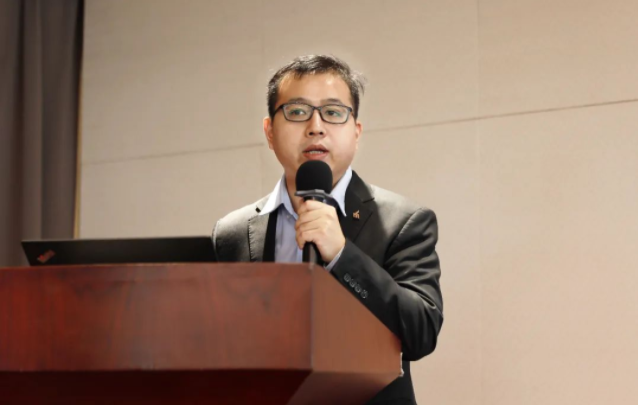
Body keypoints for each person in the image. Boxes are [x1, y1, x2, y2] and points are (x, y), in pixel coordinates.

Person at [212, 55, 443, 405]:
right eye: (297, 111)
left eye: (333, 113)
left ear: (356, 132)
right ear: (269, 131)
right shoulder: (232, 233)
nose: (316, 127)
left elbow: (420, 334)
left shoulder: (405, 221)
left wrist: (342, 256)